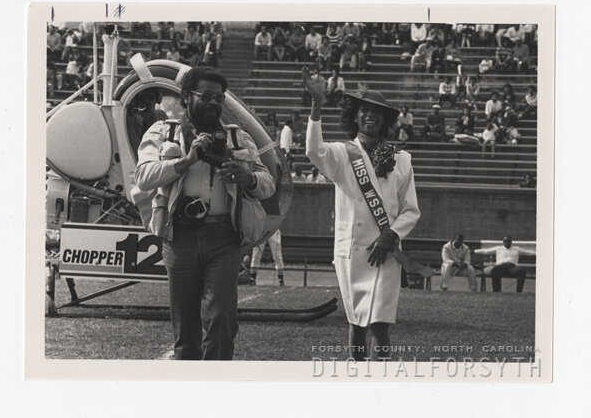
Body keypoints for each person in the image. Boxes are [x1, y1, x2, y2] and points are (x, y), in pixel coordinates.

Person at [134, 67, 276, 360]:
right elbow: (143, 177)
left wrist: (246, 177)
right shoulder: (164, 131)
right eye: (207, 96)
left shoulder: (237, 137)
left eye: (220, 98)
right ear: (186, 97)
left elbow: (267, 185)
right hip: (180, 236)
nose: (214, 103)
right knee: (185, 325)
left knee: (222, 319)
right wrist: (186, 161)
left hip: (224, 237)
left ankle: (217, 383)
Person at [303, 67, 420, 361]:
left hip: (385, 251)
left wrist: (390, 235)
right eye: (365, 111)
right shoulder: (341, 154)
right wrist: (317, 105)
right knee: (356, 323)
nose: (371, 116)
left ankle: (380, 377)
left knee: (380, 324)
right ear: (354, 116)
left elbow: (411, 209)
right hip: (352, 253)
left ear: (385, 120)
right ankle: (356, 374)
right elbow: (313, 150)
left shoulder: (402, 159)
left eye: (378, 113)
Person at [126, 88, 167, 154]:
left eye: (150, 97)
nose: (148, 101)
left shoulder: (162, 115)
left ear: (157, 98)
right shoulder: (136, 118)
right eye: (143, 98)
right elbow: (137, 144)